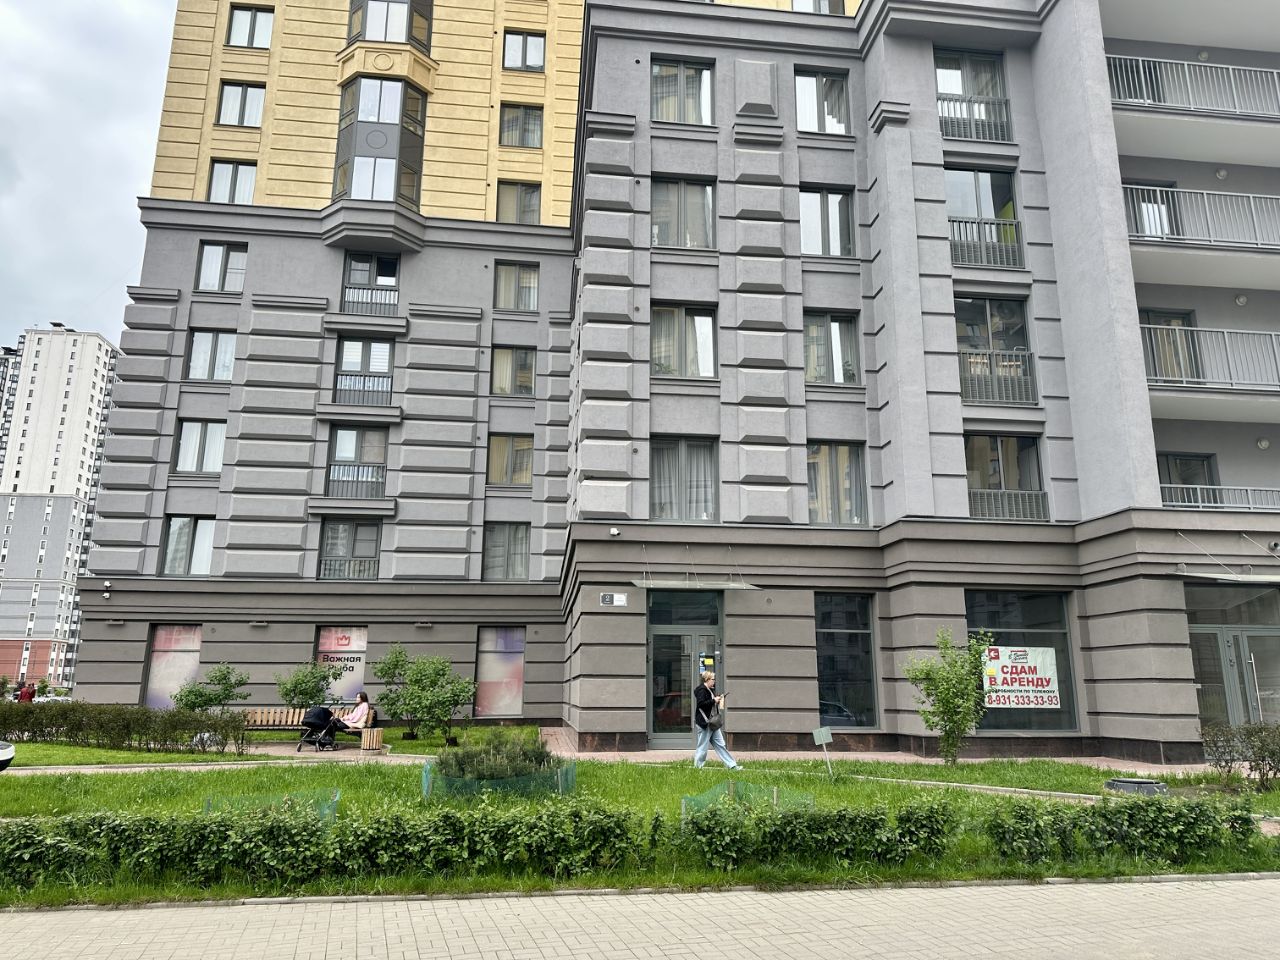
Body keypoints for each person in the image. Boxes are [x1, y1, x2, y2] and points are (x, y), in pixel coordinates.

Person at [693, 671, 741, 770]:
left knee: (720, 744)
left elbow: (709, 703)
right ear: (707, 679)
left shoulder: (710, 690)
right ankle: (698, 767)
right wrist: (714, 700)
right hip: (705, 723)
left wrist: (717, 699)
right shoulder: (702, 690)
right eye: (713, 679)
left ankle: (732, 765)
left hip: (712, 723)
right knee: (703, 746)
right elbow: (701, 704)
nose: (714, 681)